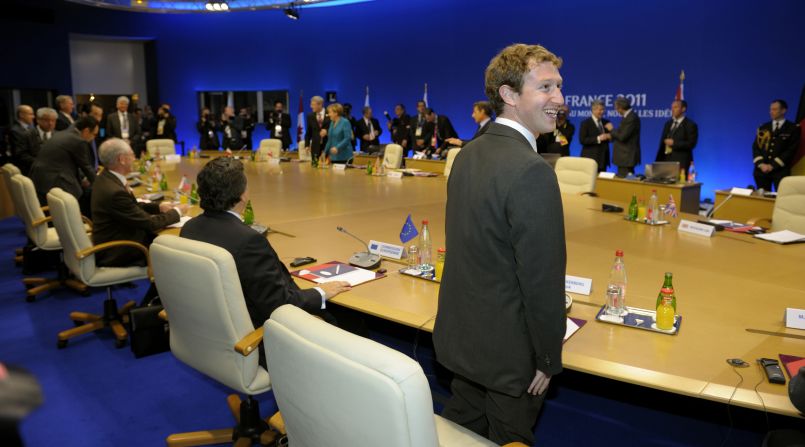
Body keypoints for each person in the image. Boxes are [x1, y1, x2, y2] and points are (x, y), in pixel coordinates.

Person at [434, 43, 567, 446]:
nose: (559, 99)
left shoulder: (467, 155)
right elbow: (541, 281)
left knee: (462, 430)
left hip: (462, 342)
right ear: (509, 96)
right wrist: (547, 358)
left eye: (559, 86)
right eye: (545, 87)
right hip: (509, 359)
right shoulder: (532, 171)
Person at [180, 158, 351, 356]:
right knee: (352, 321)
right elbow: (279, 304)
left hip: (207, 332)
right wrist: (321, 292)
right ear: (243, 195)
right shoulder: (248, 241)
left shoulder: (189, 228)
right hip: (256, 340)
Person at [91, 138, 186, 268]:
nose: (135, 158)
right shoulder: (114, 192)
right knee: (173, 248)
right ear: (122, 159)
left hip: (118, 235)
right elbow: (150, 224)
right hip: (119, 249)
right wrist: (178, 212)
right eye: (132, 154)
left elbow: (131, 207)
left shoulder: (106, 177)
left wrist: (159, 207)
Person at [29, 116, 98, 215]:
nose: (93, 138)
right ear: (86, 131)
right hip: (54, 181)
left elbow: (67, 162)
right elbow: (86, 166)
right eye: (94, 134)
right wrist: (100, 184)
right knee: (85, 196)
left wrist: (83, 179)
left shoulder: (62, 133)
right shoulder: (78, 140)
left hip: (40, 178)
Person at [753, 99, 800, 191]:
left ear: (783, 110)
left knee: (782, 199)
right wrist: (761, 164)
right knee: (761, 201)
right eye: (770, 109)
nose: (771, 112)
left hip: (780, 171)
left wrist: (772, 166)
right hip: (761, 171)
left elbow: (791, 150)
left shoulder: (793, 128)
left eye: (774, 109)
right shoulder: (763, 127)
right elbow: (756, 147)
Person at [655, 100, 698, 176]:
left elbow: (691, 144)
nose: (672, 109)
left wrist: (674, 143)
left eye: (675, 107)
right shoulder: (668, 124)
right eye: (672, 107)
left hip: (681, 163)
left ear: (683, 109)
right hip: (665, 161)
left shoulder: (690, 125)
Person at [15, 108, 56, 176]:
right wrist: (40, 163)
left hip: (55, 172)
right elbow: (21, 155)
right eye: (46, 120)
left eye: (53, 120)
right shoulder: (27, 135)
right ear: (38, 120)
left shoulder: (59, 135)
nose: (50, 123)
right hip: (34, 172)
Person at [607, 96, 641, 177]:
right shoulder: (627, 117)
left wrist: (611, 129)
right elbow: (621, 133)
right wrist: (611, 136)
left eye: (616, 108)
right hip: (624, 157)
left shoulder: (631, 117)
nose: (616, 110)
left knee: (625, 182)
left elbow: (622, 136)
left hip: (627, 157)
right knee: (624, 182)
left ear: (620, 107)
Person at [579, 100, 611, 172]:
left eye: (603, 109)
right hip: (590, 159)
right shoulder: (585, 123)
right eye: (600, 110)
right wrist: (598, 138)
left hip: (603, 160)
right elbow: (582, 140)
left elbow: (610, 139)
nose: (602, 112)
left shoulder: (606, 122)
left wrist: (611, 135)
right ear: (593, 110)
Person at [305, 96, 330, 161]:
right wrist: (307, 145)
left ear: (320, 104)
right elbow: (308, 132)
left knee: (328, 169)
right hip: (315, 147)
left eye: (313, 104)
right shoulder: (310, 116)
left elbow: (336, 128)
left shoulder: (330, 113)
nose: (311, 106)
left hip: (328, 146)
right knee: (314, 167)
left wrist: (327, 131)